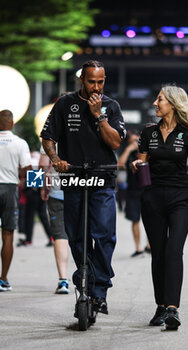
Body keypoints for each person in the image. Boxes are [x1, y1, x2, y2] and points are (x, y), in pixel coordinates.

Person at [41, 60, 126, 315]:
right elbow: (48, 137)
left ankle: (99, 290)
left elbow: (114, 143)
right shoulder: (65, 103)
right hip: (74, 179)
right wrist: (56, 160)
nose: (96, 87)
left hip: (102, 179)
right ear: (82, 80)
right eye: (92, 82)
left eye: (101, 82)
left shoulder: (111, 106)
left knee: (103, 236)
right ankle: (85, 279)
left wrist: (99, 115)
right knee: (76, 236)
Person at [132, 84, 188, 330]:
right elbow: (141, 163)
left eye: (160, 100)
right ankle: (160, 306)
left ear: (173, 105)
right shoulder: (148, 133)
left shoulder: (187, 133)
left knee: (174, 250)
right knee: (159, 253)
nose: (155, 103)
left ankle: (172, 309)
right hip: (152, 198)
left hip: (180, 199)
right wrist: (136, 164)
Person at [0, 110, 31, 291]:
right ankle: (3, 279)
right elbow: (27, 169)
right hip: (10, 189)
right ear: (12, 124)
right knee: (8, 235)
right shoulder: (20, 143)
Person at [39, 146, 70, 294]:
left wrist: (41, 188)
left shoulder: (50, 136)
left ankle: (63, 279)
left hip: (56, 191)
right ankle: (86, 278)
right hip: (83, 190)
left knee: (60, 235)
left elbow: (42, 165)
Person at [118, 130, 150, 257]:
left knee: (151, 218)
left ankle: (149, 245)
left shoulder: (146, 148)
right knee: (134, 219)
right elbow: (120, 164)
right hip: (133, 190)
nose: (135, 143)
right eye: (132, 141)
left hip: (147, 188)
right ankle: (138, 248)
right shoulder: (128, 152)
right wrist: (129, 149)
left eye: (136, 140)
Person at [17, 150, 53, 247]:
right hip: (40, 187)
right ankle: (51, 237)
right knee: (43, 215)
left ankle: (29, 239)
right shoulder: (37, 157)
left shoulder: (31, 160)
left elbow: (31, 172)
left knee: (30, 215)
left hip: (34, 188)